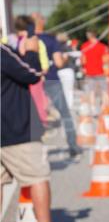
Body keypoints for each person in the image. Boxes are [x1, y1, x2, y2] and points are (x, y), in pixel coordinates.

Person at [1, 36, 79, 222]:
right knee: (38, 176)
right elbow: (32, 73)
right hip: (14, 128)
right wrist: (32, 51)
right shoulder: (2, 52)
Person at [32, 13, 82, 158]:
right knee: (65, 114)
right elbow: (59, 62)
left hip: (32, 82)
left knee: (34, 116)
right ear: (42, 22)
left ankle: (35, 151)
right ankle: (73, 146)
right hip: (51, 80)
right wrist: (65, 59)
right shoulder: (49, 39)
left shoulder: (25, 40)